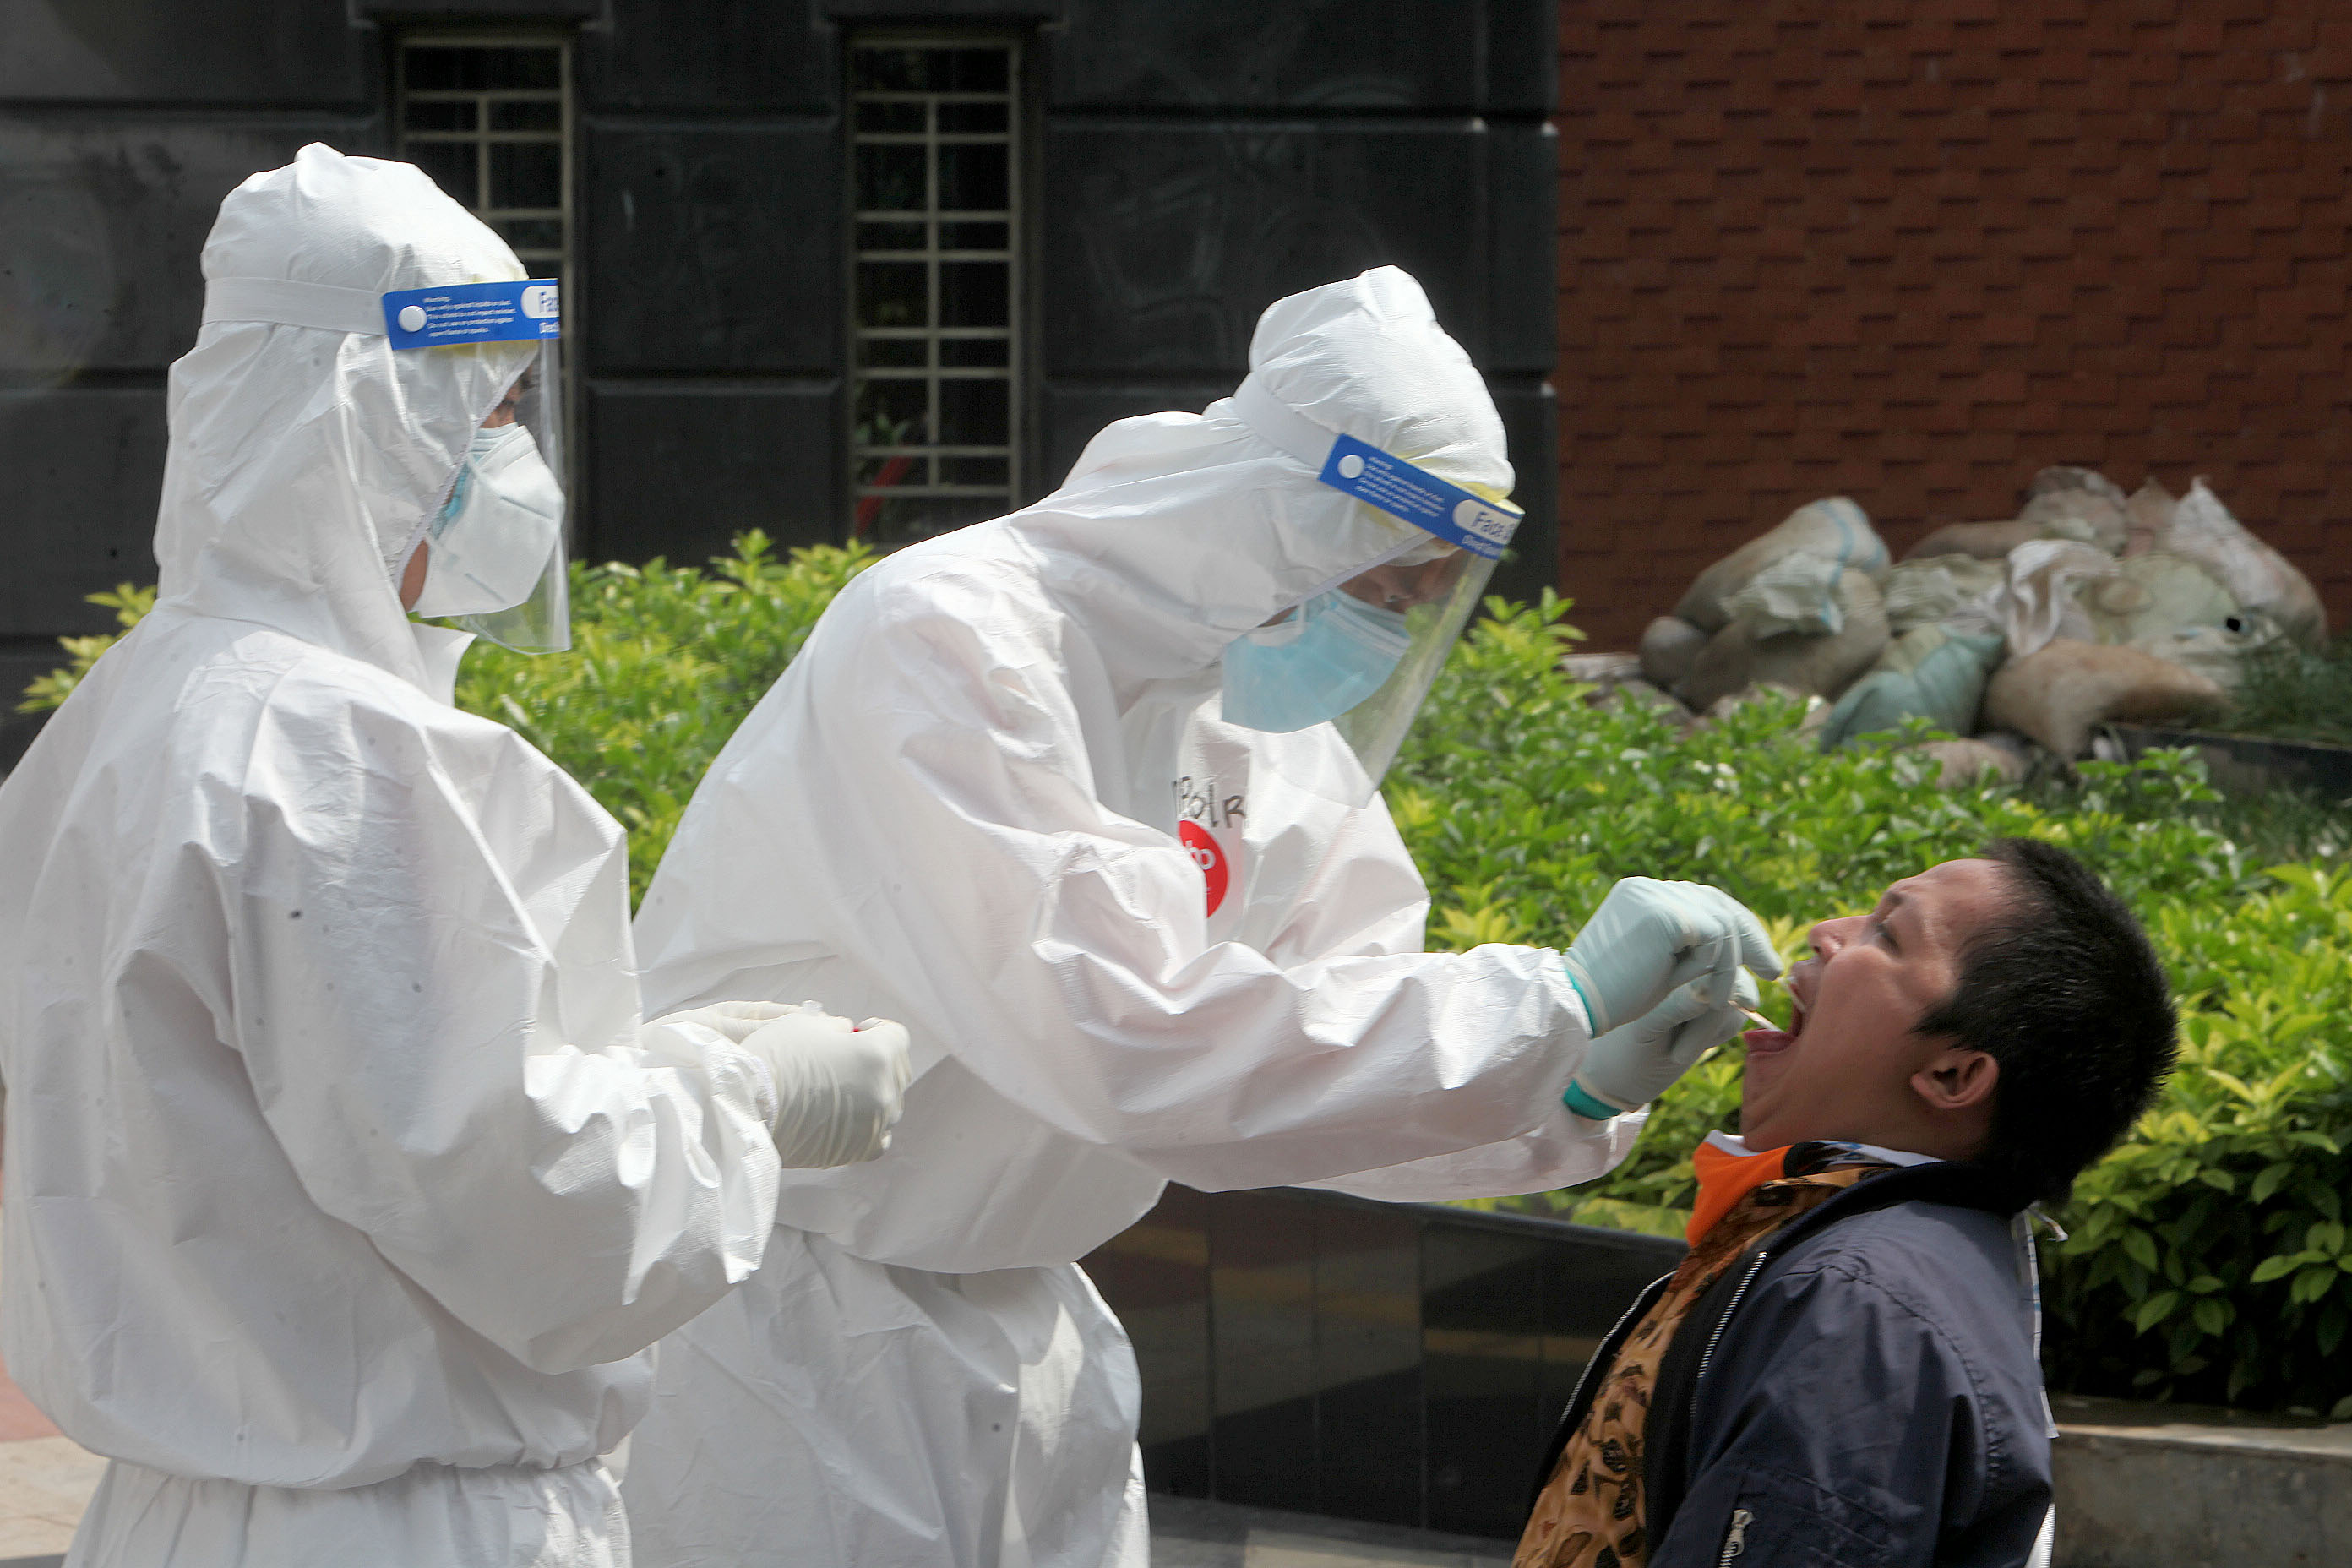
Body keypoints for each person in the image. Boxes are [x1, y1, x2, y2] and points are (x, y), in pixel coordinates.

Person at [618, 267, 1781, 1567]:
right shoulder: (952, 637)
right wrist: (1545, 1004)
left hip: (1037, 1325)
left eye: (1423, 597)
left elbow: (1300, 1073)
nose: (1393, 623)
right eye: (1386, 579)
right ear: (1275, 518)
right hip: (789, 1332)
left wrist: (1566, 1088)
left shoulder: (1263, 734)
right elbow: (1127, 1039)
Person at [0, 144, 911, 1568]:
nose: (511, 469)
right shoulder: (339, 755)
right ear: (365, 432)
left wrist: (659, 1064)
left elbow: (346, 1124)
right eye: (484, 418)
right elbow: (536, 1212)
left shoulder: (129, 714)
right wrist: (749, 1096)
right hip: (405, 1523)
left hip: (178, 1515)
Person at [1516, 839, 2178, 1568]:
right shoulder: (1884, 1259)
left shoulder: (1862, 1307)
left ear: (1953, 1075)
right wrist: (1574, 1098)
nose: (1824, 932)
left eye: (1887, 933)